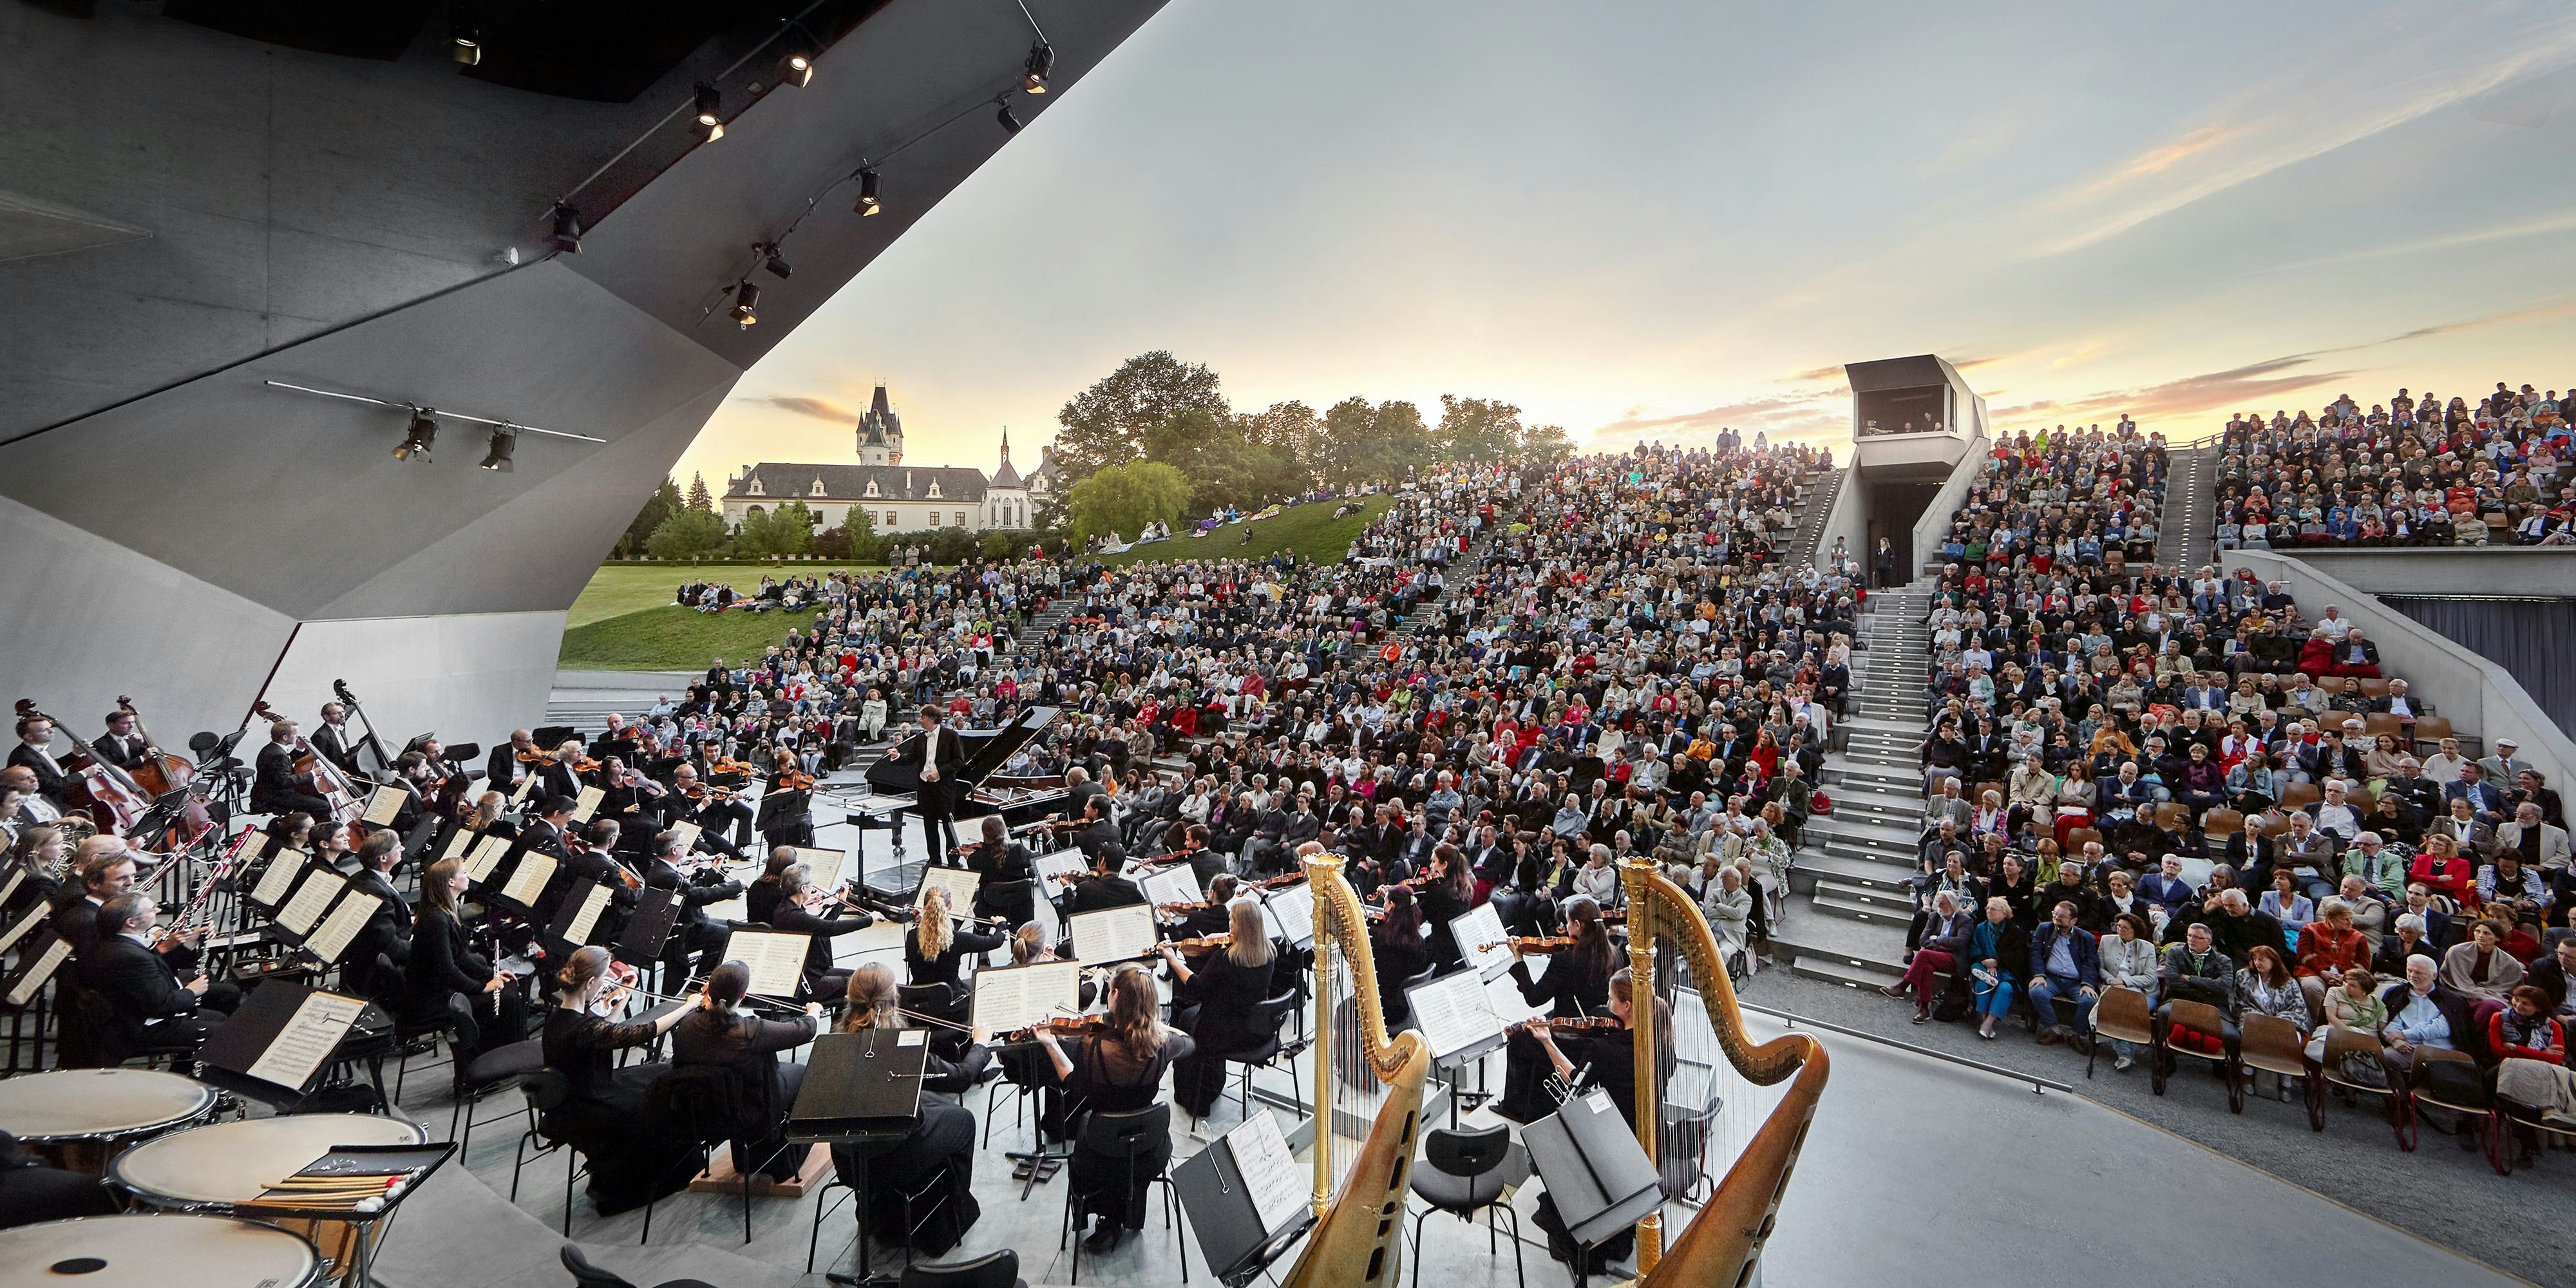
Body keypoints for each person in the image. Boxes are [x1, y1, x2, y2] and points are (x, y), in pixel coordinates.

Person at [1028, 963, 1193, 1254]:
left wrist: (1051, 1044)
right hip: (1148, 1150)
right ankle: (1123, 1216)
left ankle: (1098, 1214)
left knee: (1091, 1133)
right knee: (1124, 1141)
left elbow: (1074, 1085)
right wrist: (1157, 1026)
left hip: (1100, 1154)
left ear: (1115, 995)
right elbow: (1189, 1043)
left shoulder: (1094, 1044)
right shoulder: (1164, 1044)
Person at [1524, 966, 1674, 1274]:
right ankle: (1618, 1233)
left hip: (1611, 1141)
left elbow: (1573, 1079)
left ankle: (1581, 1230)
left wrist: (1547, 1041)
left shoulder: (1604, 1050)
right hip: (1646, 1137)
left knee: (1546, 1147)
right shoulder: (1662, 1044)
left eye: (1611, 999)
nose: (1606, 1005)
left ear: (1627, 1006)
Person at [834, 963, 987, 1253]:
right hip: (895, 1158)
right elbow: (961, 1078)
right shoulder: (905, 1048)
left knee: (931, 1105)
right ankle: (954, 1213)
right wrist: (979, 1045)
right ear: (894, 1001)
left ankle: (874, 1211)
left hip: (851, 1162)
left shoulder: (834, 1043)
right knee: (964, 1120)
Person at [538, 945, 694, 1215]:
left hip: (583, 1089)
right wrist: (687, 1006)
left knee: (660, 1072)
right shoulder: (583, 1027)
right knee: (663, 1095)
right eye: (603, 980)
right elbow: (642, 1032)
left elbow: (607, 1031)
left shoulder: (559, 1016)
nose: (605, 985)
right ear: (590, 983)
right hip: (589, 1103)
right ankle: (654, 1179)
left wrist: (625, 995)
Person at [669, 961, 822, 1181]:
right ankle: (786, 1160)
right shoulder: (751, 1031)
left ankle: (745, 1157)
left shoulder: (687, 1025)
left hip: (700, 1115)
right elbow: (805, 1030)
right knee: (802, 1073)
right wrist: (813, 1011)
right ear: (743, 995)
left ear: (708, 991)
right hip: (749, 1114)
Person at [1162, 898, 1279, 1119]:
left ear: (1240, 926)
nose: (1229, 925)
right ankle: (1210, 1083)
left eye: (1232, 921)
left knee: (1186, 1017)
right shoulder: (1269, 951)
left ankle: (1193, 1096)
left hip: (1227, 1034)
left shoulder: (1225, 959)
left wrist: (1172, 959)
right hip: (1259, 1030)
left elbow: (1197, 988)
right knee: (1191, 1015)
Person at [84, 892, 232, 1061]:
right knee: (224, 1034)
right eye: (151, 910)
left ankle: (187, 1066)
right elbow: (162, 1005)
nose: (158, 910)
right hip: (141, 1027)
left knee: (220, 1018)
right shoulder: (130, 956)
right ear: (131, 922)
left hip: (138, 1014)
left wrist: (190, 944)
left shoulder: (120, 942)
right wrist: (192, 991)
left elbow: (157, 967)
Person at [405, 856, 524, 1057]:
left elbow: (461, 955)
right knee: (508, 997)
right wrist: (481, 987)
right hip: (433, 998)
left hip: (441, 986)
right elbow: (447, 969)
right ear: (451, 882)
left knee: (509, 986)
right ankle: (495, 1058)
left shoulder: (447, 910)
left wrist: (490, 973)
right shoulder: (436, 920)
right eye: (464, 873)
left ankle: (508, 1052)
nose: (468, 877)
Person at [893, 705, 969, 867]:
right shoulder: (920, 738)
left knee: (949, 826)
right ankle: (934, 859)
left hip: (944, 787)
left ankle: (954, 861)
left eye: (922, 717)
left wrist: (939, 773)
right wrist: (898, 756)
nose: (920, 720)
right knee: (929, 825)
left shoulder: (951, 735)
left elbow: (959, 760)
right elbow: (910, 758)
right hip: (926, 787)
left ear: (932, 719)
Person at [2023, 900, 2099, 1045]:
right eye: (2055, 914)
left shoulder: (2085, 938)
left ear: (2073, 920)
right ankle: (2054, 1030)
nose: (2056, 918)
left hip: (2075, 982)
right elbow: (2036, 953)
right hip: (2051, 978)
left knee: (2090, 1001)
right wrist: (2039, 974)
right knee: (2036, 992)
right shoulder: (2044, 929)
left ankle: (2075, 1034)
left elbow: (2091, 962)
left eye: (2061, 916)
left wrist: (2088, 983)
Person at [2093, 913, 2159, 1070]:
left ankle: (2125, 1054)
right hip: (2112, 986)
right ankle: (2125, 1054)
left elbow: (2150, 977)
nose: (2120, 930)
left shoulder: (2147, 948)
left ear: (2135, 931)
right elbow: (2100, 968)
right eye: (2118, 926)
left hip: (2142, 991)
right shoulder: (2107, 941)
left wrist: (2126, 982)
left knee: (2129, 1009)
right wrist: (2112, 981)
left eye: (2125, 928)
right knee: (2117, 1005)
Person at [1965, 896, 2026, 1040]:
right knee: (1982, 983)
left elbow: (2018, 956)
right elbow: (1974, 948)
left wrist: (1997, 961)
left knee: (2006, 988)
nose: (1989, 911)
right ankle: (1983, 1018)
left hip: (2006, 969)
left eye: (1993, 909)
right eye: (1988, 908)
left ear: (2004, 912)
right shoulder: (1981, 927)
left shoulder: (2015, 931)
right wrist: (1985, 961)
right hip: (1984, 966)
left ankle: (1988, 1023)